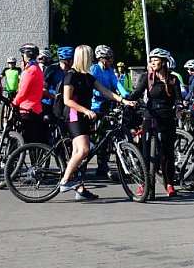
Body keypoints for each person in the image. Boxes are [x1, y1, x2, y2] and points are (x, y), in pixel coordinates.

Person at [58, 45, 136, 201]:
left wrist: (124, 101)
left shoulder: (87, 77)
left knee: (80, 153)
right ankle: (65, 181)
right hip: (74, 115)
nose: (93, 59)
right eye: (90, 56)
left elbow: (106, 91)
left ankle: (80, 189)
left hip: (83, 116)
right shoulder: (71, 76)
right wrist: (86, 111)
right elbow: (67, 100)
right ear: (84, 58)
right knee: (84, 149)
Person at [129, 48, 183, 197]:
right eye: (151, 60)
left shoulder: (173, 79)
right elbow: (137, 92)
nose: (152, 63)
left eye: (155, 60)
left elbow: (178, 98)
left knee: (168, 151)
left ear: (164, 62)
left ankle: (169, 183)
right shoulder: (148, 78)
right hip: (150, 115)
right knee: (145, 152)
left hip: (167, 116)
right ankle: (144, 183)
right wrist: (127, 100)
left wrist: (179, 106)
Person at [90, 44, 127, 179]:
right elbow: (93, 85)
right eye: (109, 59)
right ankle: (101, 164)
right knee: (99, 135)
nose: (111, 62)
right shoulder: (94, 69)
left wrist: (126, 95)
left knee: (110, 132)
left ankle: (113, 164)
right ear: (102, 59)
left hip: (108, 103)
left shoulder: (110, 70)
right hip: (95, 105)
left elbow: (116, 83)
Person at [13, 44, 47, 144]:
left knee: (26, 140)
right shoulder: (38, 69)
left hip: (27, 109)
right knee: (34, 140)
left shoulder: (29, 71)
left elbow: (22, 92)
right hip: (36, 108)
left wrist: (14, 103)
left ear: (26, 56)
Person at [43, 46, 74, 116]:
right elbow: (42, 89)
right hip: (50, 104)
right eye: (73, 59)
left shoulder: (72, 71)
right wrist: (55, 96)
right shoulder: (52, 69)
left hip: (65, 105)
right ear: (67, 60)